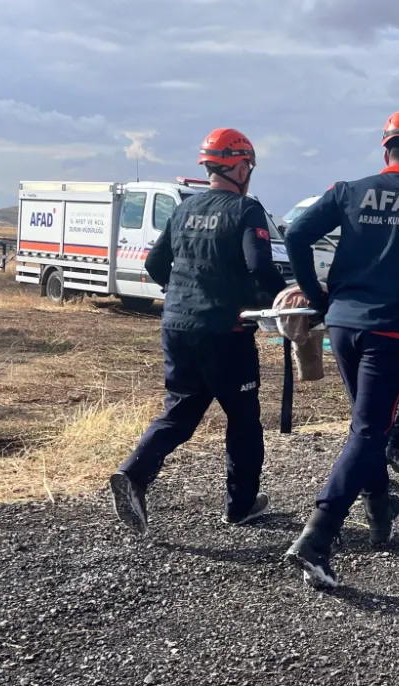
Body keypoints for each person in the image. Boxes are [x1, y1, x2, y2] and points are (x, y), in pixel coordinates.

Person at [281, 111, 399, 588]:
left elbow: (295, 232)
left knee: (367, 422)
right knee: (369, 429)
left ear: (386, 151)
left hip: (343, 325)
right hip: (391, 332)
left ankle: (380, 510)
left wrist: (318, 296)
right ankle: (318, 536)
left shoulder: (348, 191)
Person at [109, 128, 287, 535]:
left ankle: (133, 475)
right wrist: (286, 298)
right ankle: (240, 505)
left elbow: (156, 264)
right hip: (225, 332)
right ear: (241, 167)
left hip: (176, 326)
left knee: (182, 409)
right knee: (243, 418)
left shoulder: (184, 209)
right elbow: (260, 266)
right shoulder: (246, 210)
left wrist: (183, 295)